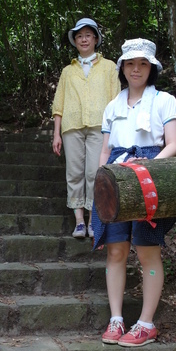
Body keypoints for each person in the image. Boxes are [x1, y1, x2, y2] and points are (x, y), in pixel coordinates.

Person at [91, 38, 176, 347]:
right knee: (116, 249)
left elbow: (173, 144)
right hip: (115, 176)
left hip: (152, 177)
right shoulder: (113, 106)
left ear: (152, 68)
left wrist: (149, 168)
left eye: (143, 63)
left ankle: (145, 323)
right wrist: (100, 186)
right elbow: (105, 150)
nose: (136, 69)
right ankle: (116, 318)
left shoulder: (165, 100)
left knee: (147, 250)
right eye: (130, 63)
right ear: (123, 68)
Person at [52, 18, 121, 238]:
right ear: (75, 40)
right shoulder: (67, 71)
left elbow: (116, 100)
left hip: (100, 127)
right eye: (79, 35)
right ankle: (79, 221)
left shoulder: (110, 67)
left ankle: (93, 220)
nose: (84, 39)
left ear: (96, 39)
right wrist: (56, 133)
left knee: (95, 171)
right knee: (73, 173)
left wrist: (116, 130)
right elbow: (59, 104)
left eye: (88, 35)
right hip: (71, 127)